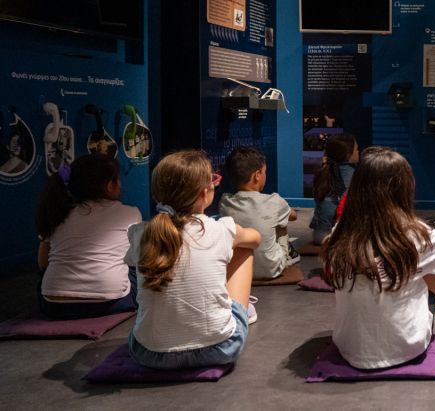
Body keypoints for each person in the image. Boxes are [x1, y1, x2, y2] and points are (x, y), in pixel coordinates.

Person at [321, 147, 435, 369]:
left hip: (348, 347)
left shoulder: (339, 233)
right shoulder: (418, 234)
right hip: (406, 348)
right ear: (403, 187)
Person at [126, 150, 261, 369]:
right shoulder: (222, 229)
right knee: (244, 250)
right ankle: (239, 311)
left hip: (149, 354)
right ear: (204, 193)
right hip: (220, 348)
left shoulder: (139, 233)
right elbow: (255, 238)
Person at [35, 154, 141, 319]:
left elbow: (42, 264)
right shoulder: (130, 213)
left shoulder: (57, 214)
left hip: (54, 305)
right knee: (136, 267)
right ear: (109, 186)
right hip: (112, 303)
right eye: (118, 180)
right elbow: (138, 259)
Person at [218, 147, 298, 279]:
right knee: (281, 224)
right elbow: (294, 216)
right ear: (257, 175)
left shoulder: (224, 202)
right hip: (271, 270)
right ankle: (288, 255)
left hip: (238, 270)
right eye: (264, 172)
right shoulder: (275, 201)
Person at [310, 134, 358, 244]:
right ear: (348, 154)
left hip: (319, 235)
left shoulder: (324, 171)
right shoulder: (354, 173)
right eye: (356, 149)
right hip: (341, 236)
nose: (358, 152)